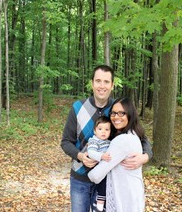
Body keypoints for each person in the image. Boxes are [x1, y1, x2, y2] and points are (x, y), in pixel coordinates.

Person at [61, 65, 152, 212]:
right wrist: (81, 156)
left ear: (112, 85)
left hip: (108, 181)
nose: (102, 86)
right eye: (98, 81)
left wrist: (145, 157)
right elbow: (66, 141)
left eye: (106, 81)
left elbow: (142, 136)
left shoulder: (118, 109)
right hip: (80, 179)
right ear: (92, 83)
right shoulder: (78, 107)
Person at [88, 97, 146, 212]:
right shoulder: (133, 134)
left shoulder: (122, 140)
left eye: (121, 113)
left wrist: (90, 172)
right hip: (132, 196)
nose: (116, 117)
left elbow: (96, 175)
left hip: (124, 199)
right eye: (113, 113)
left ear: (130, 114)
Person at [87, 116, 112, 212]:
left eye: (107, 129)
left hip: (106, 169)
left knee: (107, 186)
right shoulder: (94, 141)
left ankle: (104, 203)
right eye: (100, 129)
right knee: (102, 185)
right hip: (98, 168)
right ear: (94, 131)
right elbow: (91, 152)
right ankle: (99, 205)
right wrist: (101, 156)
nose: (103, 132)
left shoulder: (109, 142)